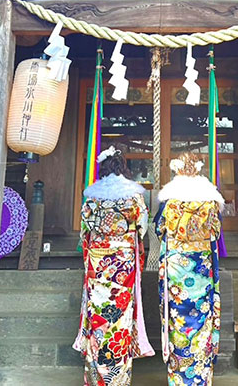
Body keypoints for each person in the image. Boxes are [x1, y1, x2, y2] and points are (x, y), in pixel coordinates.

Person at [73, 145, 154, 386]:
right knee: (120, 316)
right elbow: (141, 226)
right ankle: (118, 378)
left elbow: (84, 230)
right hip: (122, 264)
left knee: (98, 314)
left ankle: (97, 376)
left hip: (98, 263)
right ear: (123, 168)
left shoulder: (92, 196)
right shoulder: (133, 195)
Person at [156, 152, 224, 385]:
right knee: (202, 317)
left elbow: (159, 229)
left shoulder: (170, 200)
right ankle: (200, 378)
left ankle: (178, 377)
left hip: (176, 265)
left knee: (178, 319)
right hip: (201, 266)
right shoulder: (210, 199)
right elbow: (215, 231)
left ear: (177, 169)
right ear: (198, 169)